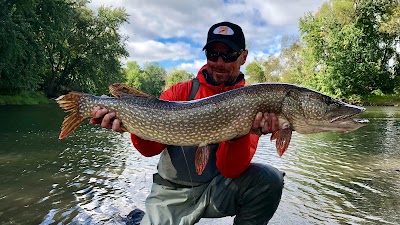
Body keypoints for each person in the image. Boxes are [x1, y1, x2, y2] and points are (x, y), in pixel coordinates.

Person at [91, 21, 284, 225]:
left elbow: (231, 171)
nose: (220, 62)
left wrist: (240, 135)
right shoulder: (179, 93)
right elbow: (149, 149)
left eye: (229, 55)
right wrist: (132, 124)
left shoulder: (252, 104)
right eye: (213, 54)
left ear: (243, 57)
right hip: (170, 192)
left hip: (216, 191)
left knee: (270, 180)